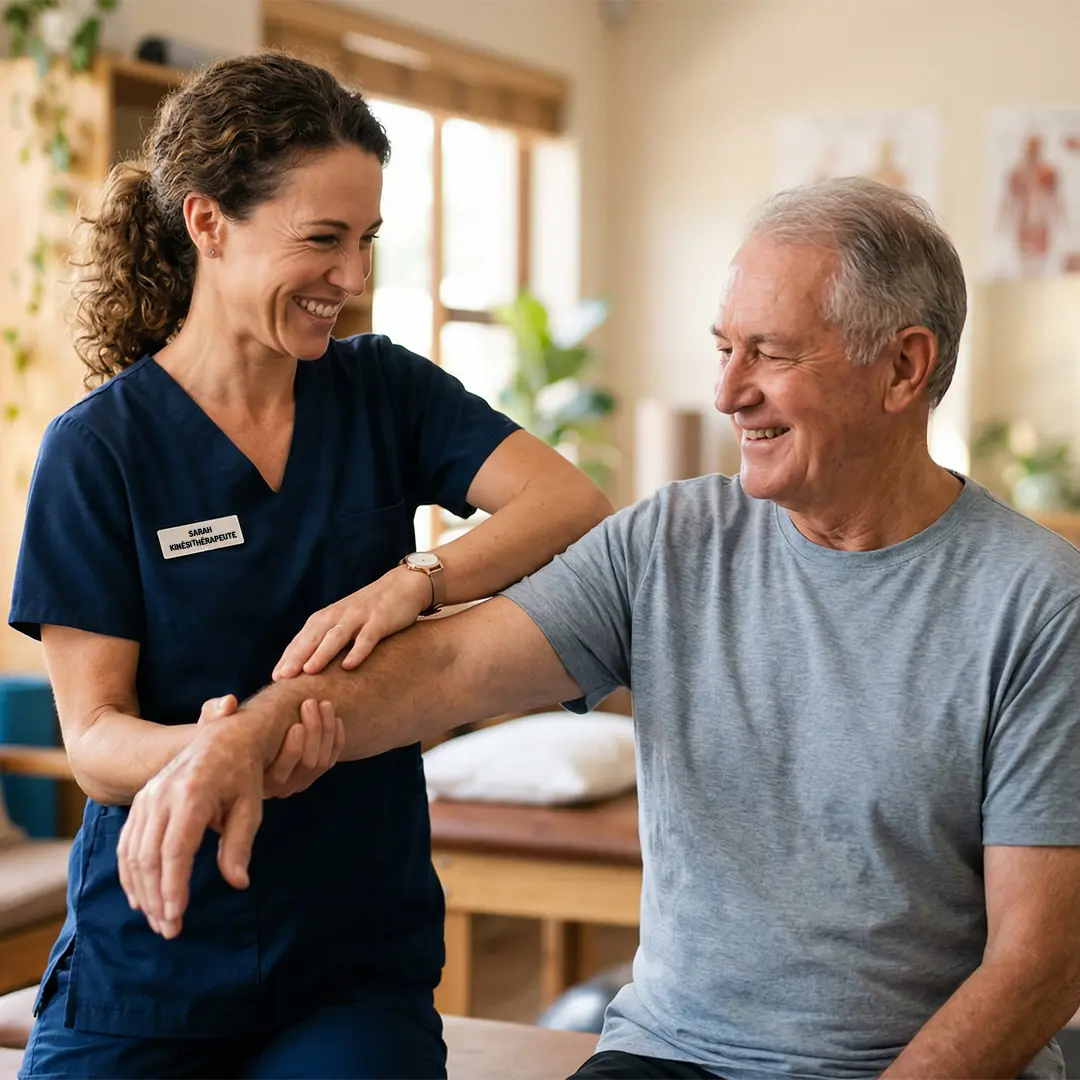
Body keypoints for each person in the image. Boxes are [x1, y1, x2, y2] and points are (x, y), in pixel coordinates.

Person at [118, 175, 1080, 1080]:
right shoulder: (671, 540)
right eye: (723, 347)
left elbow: (1039, 962)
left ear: (904, 367)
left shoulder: (1040, 604)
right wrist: (246, 735)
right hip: (674, 1055)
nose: (728, 390)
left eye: (771, 354)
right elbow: (445, 668)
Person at [7, 52, 612, 1080]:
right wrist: (220, 753)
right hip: (153, 954)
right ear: (208, 224)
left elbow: (569, 504)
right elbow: (97, 739)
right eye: (323, 240)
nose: (355, 278)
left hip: (350, 956)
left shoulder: (381, 393)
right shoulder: (100, 450)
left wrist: (417, 578)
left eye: (367, 240)